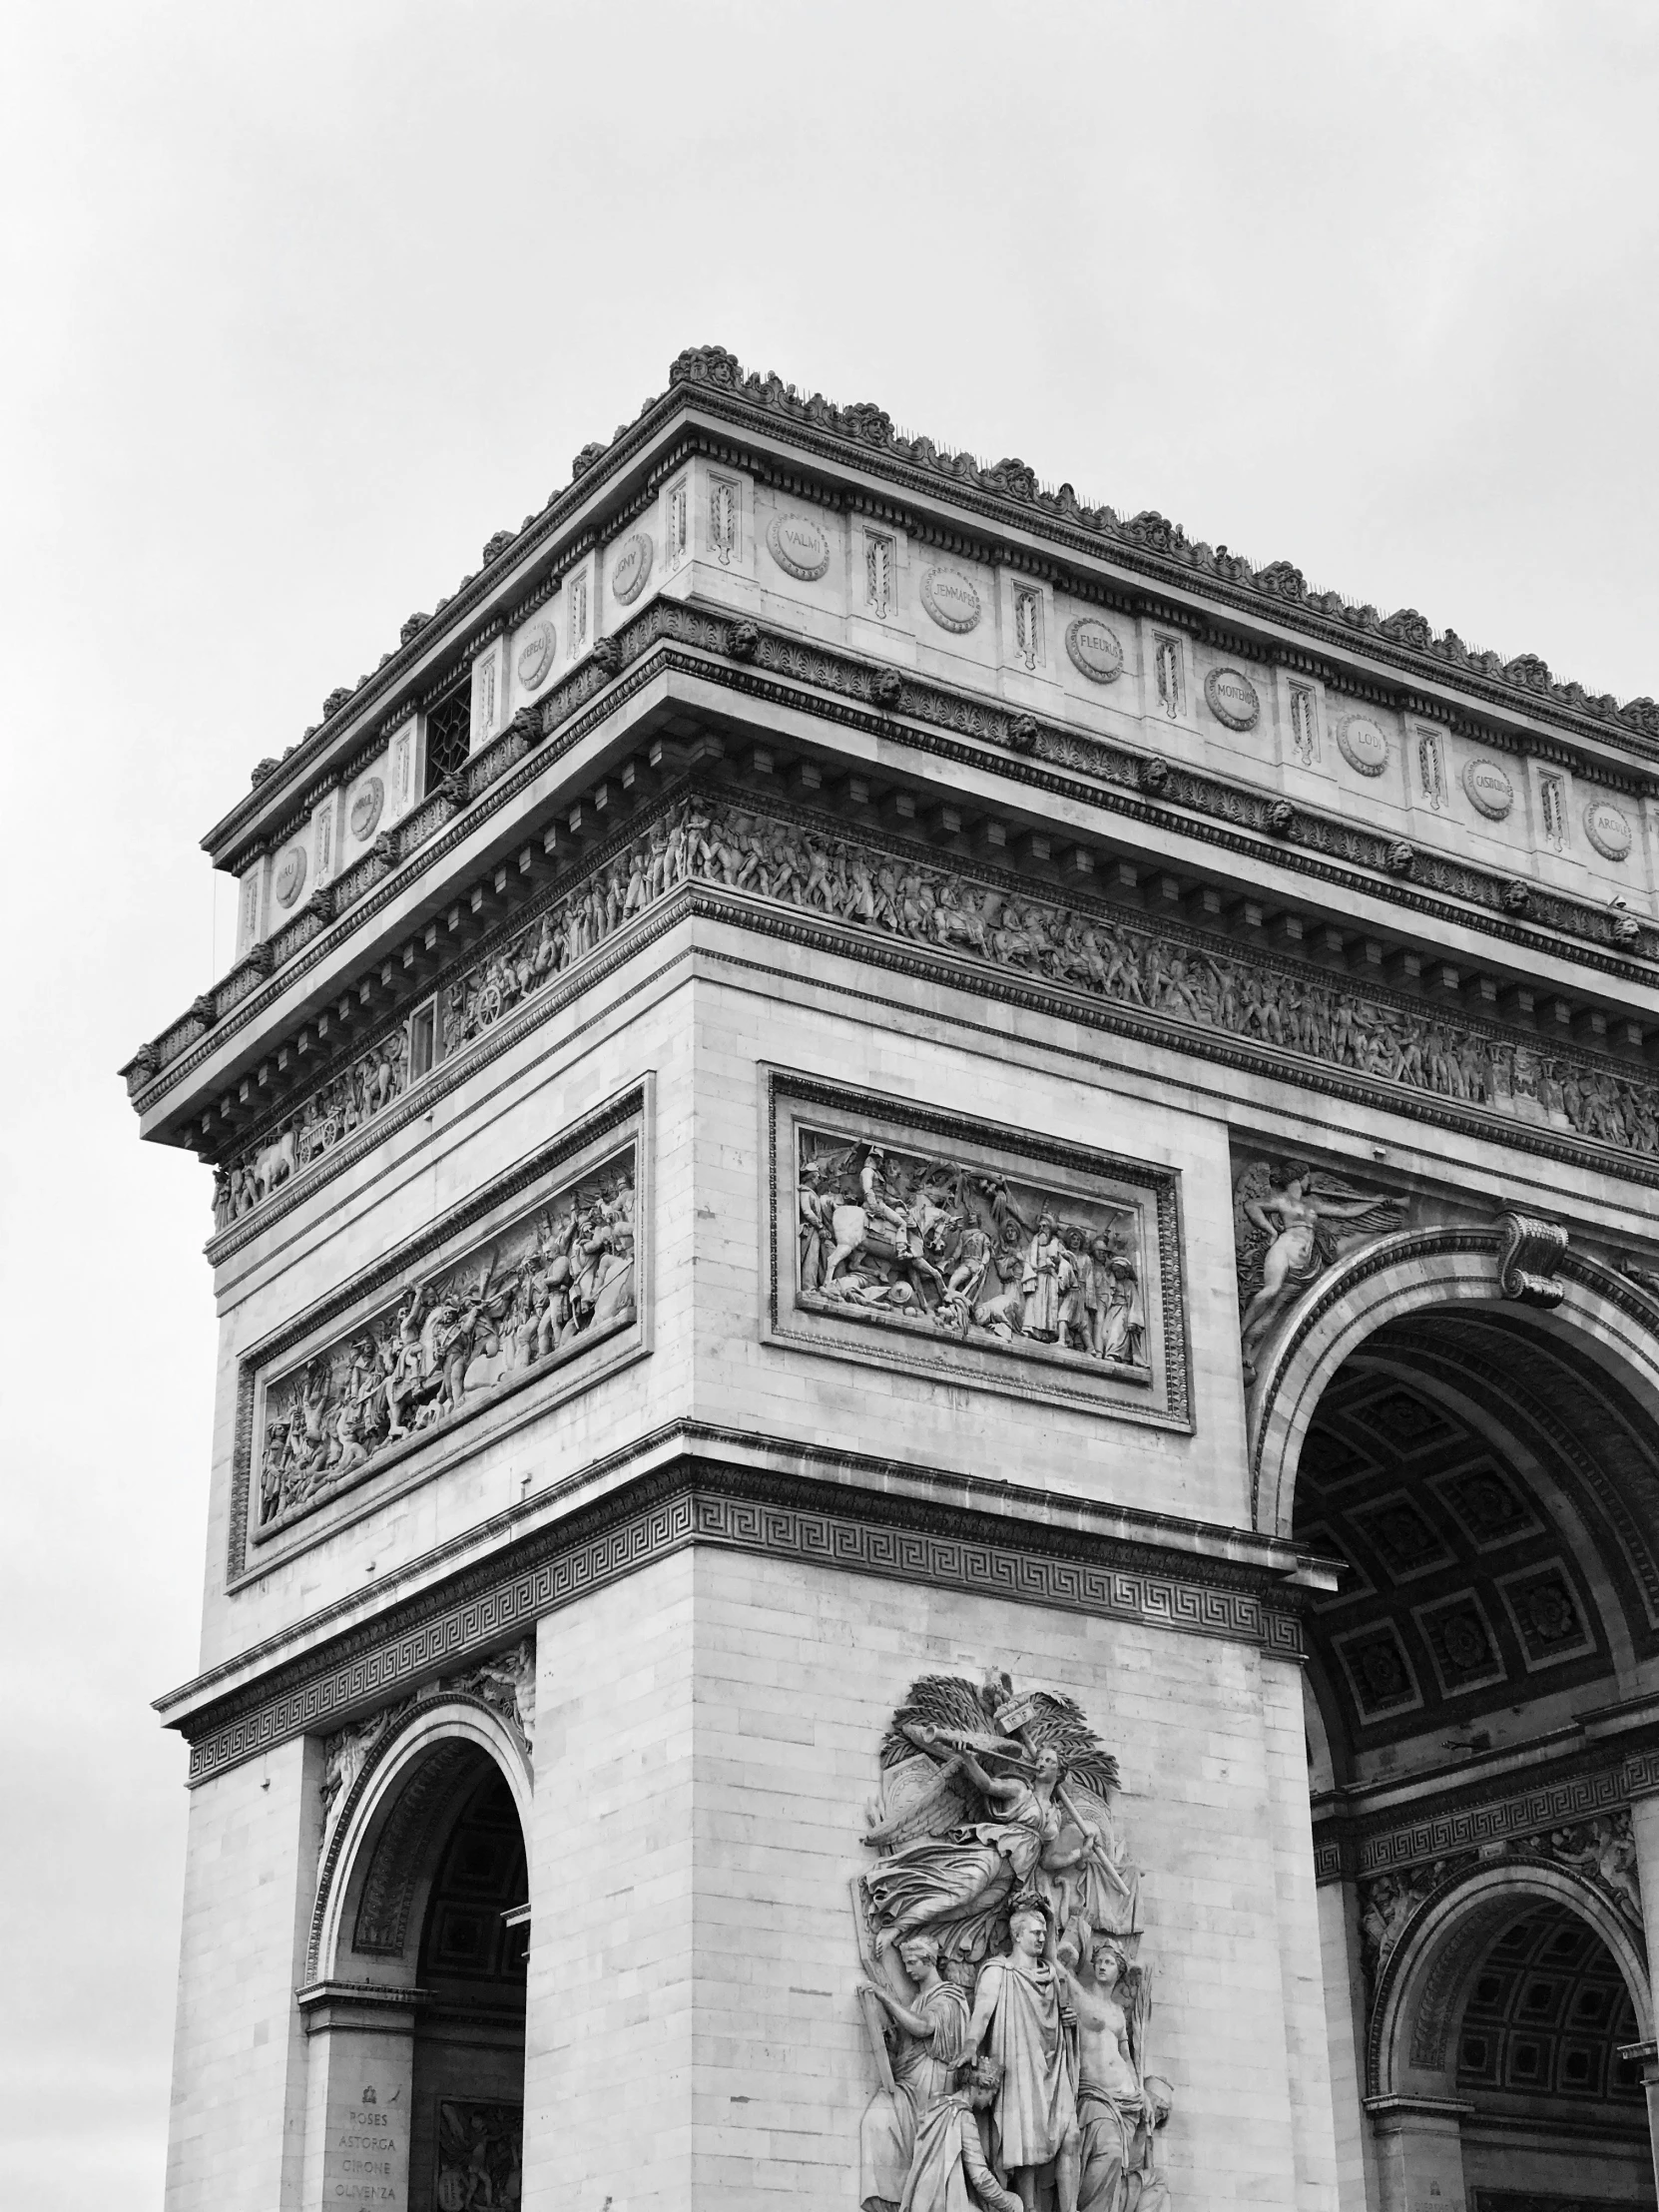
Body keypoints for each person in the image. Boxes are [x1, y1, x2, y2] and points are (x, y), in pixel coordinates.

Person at [966, 1905, 1079, 2212]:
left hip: (1053, 2064)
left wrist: (1068, 2021)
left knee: (1071, 2136)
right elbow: (984, 2010)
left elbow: (1062, 2014)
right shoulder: (998, 1971)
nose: (1041, 1937)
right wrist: (971, 2043)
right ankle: (1028, 2209)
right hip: (1019, 2063)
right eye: (1035, 1932)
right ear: (1016, 1935)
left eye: (1044, 1932)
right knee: (1025, 2145)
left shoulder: (1052, 1974)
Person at [856, 1932, 971, 2212]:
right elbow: (912, 2038)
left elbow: (923, 2027)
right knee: (875, 2121)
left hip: (930, 2085)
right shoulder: (921, 1998)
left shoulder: (949, 1996)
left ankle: (906, 2200)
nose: (907, 1970)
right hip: (910, 2080)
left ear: (929, 1961)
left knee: (895, 2132)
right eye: (905, 1963)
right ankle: (889, 2200)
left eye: (911, 1963)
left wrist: (884, 1998)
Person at [898, 2058, 1024, 2212]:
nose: (990, 2102)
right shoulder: (963, 2117)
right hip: (943, 2204)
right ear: (979, 2089)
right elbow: (981, 2178)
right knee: (1016, 2202)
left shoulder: (936, 2105)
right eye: (991, 2095)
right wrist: (1009, 2205)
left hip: (921, 2201)